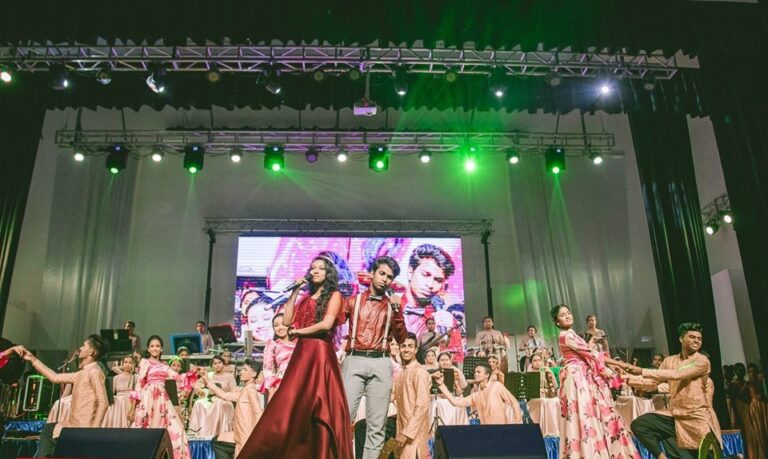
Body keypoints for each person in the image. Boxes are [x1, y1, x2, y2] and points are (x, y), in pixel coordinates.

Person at [239, 255, 352, 459]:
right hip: (302, 353)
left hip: (320, 353)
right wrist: (294, 292)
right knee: (293, 402)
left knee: (320, 403)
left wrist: (298, 332)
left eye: (321, 268)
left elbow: (326, 325)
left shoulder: (334, 295)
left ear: (328, 273)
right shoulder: (305, 299)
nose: (315, 271)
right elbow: (287, 320)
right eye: (313, 268)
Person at [551, 304, 639, 459]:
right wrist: (623, 365)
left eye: (568, 313)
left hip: (584, 376)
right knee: (583, 416)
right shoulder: (566, 336)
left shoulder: (572, 334)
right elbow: (593, 354)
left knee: (591, 415)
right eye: (562, 315)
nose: (567, 316)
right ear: (557, 322)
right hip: (577, 377)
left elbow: (592, 355)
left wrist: (614, 369)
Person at [623, 322, 723, 459]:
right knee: (640, 425)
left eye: (699, 338)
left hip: (697, 419)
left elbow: (677, 374)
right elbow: (652, 383)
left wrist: (642, 371)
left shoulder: (702, 361)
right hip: (675, 416)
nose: (697, 341)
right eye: (692, 337)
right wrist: (625, 378)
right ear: (681, 338)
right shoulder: (669, 361)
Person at [342, 256, 408, 459]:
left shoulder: (392, 306)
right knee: (342, 419)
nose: (385, 279)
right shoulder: (353, 301)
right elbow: (333, 322)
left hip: (381, 361)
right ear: (372, 273)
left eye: (390, 277)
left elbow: (401, 338)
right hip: (354, 358)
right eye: (382, 273)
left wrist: (398, 311)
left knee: (377, 426)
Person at [15, 336, 109, 458]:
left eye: (84, 345)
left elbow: (103, 401)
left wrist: (93, 431)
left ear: (91, 351)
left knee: (49, 431)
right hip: (72, 426)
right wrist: (32, 359)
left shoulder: (95, 371)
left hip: (83, 428)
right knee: (50, 430)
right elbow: (55, 377)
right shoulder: (82, 373)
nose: (80, 348)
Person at [131, 335, 190, 459]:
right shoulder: (145, 362)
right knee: (146, 428)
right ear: (148, 349)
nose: (155, 348)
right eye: (152, 346)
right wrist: (132, 407)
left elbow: (177, 376)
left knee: (176, 429)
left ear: (161, 349)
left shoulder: (164, 365)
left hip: (162, 400)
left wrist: (193, 373)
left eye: (157, 346)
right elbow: (139, 384)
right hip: (148, 399)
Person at [205, 359, 263, 459]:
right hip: (239, 432)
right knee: (217, 440)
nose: (241, 372)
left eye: (245, 370)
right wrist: (208, 382)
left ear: (253, 374)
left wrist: (258, 435)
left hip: (245, 434)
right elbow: (226, 396)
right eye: (242, 369)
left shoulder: (251, 390)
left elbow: (258, 412)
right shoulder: (245, 390)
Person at [401, 244, 460, 337]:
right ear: (410, 272)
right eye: (425, 275)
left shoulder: (445, 320)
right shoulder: (389, 308)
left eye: (438, 280)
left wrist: (448, 333)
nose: (430, 284)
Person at [436, 362, 522, 425]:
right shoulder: (476, 395)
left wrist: (518, 423)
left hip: (502, 430)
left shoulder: (497, 386)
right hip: (486, 432)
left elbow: (514, 402)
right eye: (475, 372)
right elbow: (456, 403)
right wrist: (441, 385)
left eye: (478, 372)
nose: (475, 374)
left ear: (487, 375)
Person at [393, 333, 431, 459]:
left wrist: (406, 433)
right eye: (403, 346)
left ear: (416, 349)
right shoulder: (401, 374)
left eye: (410, 346)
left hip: (414, 434)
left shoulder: (419, 372)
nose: (406, 349)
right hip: (402, 430)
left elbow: (422, 406)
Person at [188, 355, 237, 437]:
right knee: (198, 403)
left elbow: (234, 391)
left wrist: (223, 394)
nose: (217, 365)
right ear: (212, 366)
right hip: (210, 398)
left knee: (219, 404)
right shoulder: (209, 375)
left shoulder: (229, 376)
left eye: (219, 362)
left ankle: (218, 433)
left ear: (223, 364)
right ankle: (201, 433)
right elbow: (196, 384)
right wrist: (201, 390)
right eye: (215, 363)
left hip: (224, 399)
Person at [258, 313, 296, 401]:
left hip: (298, 380)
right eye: (276, 325)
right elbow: (268, 368)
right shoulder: (272, 344)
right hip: (281, 382)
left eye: (283, 324)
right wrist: (271, 387)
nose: (280, 327)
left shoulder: (300, 344)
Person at [103, 355, 136, 428]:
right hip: (118, 404)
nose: (127, 365)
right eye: (125, 362)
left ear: (133, 364)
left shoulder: (135, 377)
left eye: (130, 363)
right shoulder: (116, 378)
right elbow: (112, 393)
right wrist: (123, 367)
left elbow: (136, 394)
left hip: (129, 403)